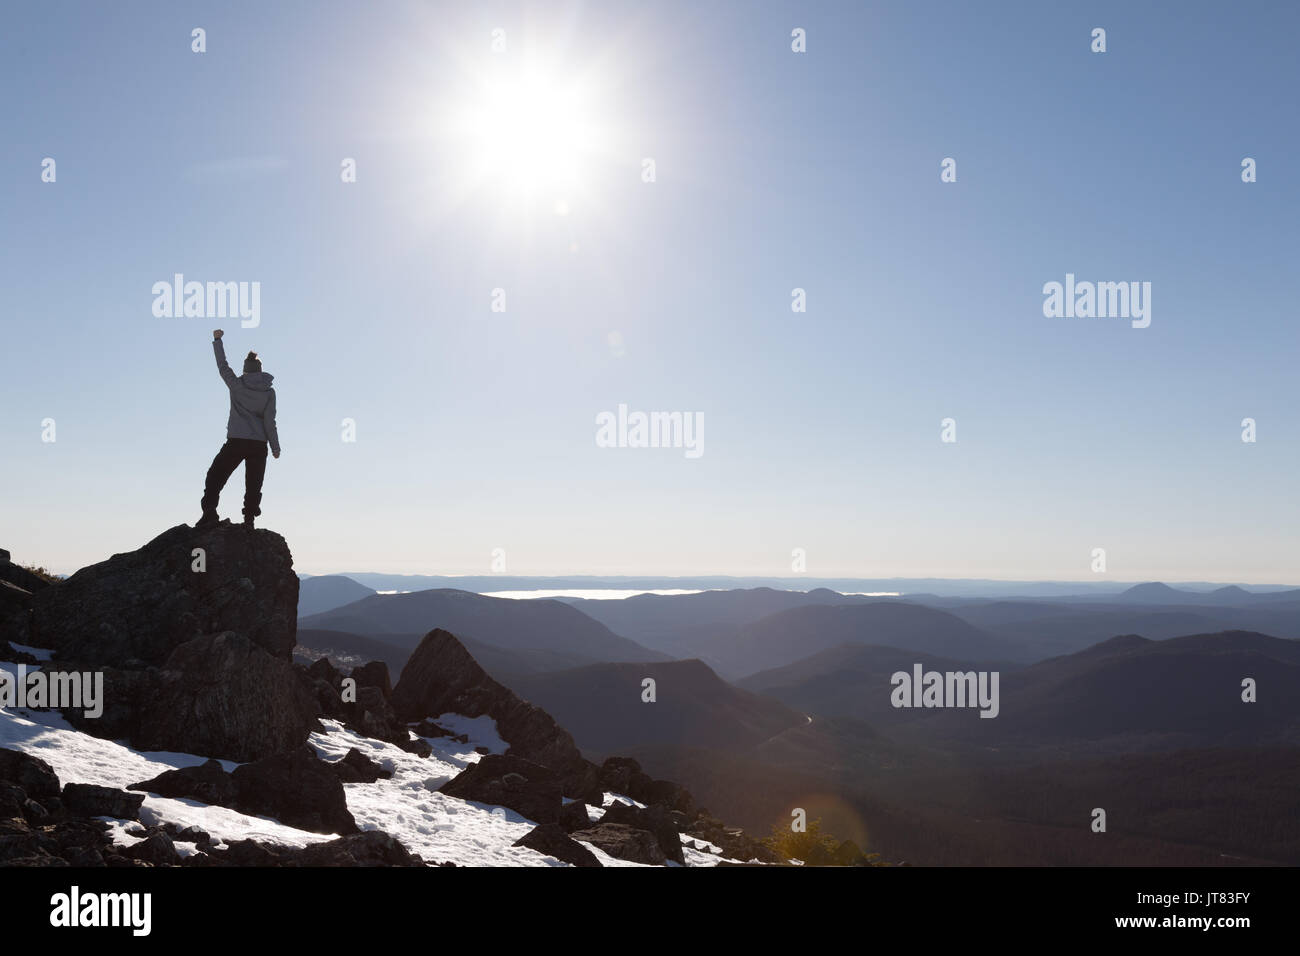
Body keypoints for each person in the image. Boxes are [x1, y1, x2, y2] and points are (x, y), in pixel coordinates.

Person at [197, 329, 280, 529]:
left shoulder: (237, 385)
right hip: (259, 444)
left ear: (245, 370)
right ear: (260, 371)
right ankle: (249, 521)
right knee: (254, 485)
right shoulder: (269, 392)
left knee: (215, 476)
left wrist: (217, 340)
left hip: (237, 441)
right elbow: (270, 421)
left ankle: (209, 512)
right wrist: (275, 447)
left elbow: (222, 366)